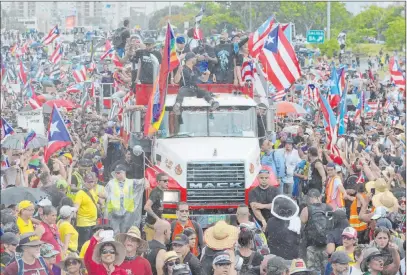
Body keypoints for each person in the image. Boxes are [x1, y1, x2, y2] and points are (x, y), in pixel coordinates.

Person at [106, 164, 148, 234]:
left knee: (125, 233)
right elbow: (105, 192)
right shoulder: (111, 183)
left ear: (124, 173)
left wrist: (146, 183)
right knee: (115, 233)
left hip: (127, 213)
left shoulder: (131, 182)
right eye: (115, 173)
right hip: (115, 213)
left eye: (118, 173)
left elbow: (143, 181)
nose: (116, 174)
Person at [300, 189, 333, 274]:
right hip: (327, 244)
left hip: (311, 245)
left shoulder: (306, 209)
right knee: (326, 268)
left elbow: (300, 226)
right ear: (320, 197)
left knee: (313, 269)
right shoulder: (329, 207)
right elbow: (333, 224)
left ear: (309, 198)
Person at [266, 195, 301, 260]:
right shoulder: (296, 221)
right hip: (291, 257)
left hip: (274, 256)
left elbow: (267, 236)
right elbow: (298, 239)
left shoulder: (270, 221)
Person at [74, 172, 100, 249]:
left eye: (92, 182)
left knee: (92, 244)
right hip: (84, 224)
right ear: (84, 182)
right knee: (84, 246)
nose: (91, 184)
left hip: (93, 223)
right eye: (89, 182)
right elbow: (76, 207)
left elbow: (96, 202)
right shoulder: (80, 193)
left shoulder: (92, 191)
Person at [144, 173, 169, 241]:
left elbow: (158, 208)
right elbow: (146, 207)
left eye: (168, 181)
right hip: (151, 227)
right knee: (151, 250)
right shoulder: (155, 192)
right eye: (165, 181)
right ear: (158, 182)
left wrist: (162, 218)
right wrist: (158, 218)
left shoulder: (161, 192)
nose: (167, 182)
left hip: (157, 227)